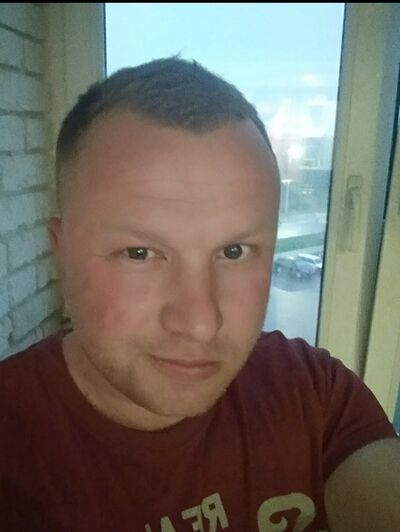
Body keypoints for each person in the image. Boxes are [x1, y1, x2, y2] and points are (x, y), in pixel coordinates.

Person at [0, 57, 399, 532]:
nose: (200, 322)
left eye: (234, 251)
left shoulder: (312, 394)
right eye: (140, 253)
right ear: (62, 253)